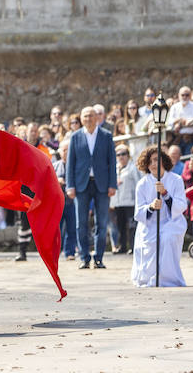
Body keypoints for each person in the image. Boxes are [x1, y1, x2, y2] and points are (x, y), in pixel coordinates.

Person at [66, 106, 117, 269]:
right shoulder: (75, 137)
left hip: (102, 184)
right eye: (85, 116)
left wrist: (112, 184)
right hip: (81, 184)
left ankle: (99, 258)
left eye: (91, 116)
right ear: (81, 118)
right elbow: (70, 163)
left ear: (97, 118)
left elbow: (112, 162)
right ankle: (84, 257)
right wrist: (70, 185)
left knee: (101, 223)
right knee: (81, 223)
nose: (88, 119)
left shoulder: (106, 136)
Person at [131, 146, 187, 287]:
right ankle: (150, 277)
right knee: (152, 241)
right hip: (150, 224)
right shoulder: (142, 184)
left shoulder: (176, 180)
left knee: (167, 238)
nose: (154, 164)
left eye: (157, 160)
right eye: (150, 162)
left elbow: (181, 205)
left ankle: (168, 278)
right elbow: (138, 213)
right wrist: (151, 207)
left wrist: (166, 195)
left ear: (164, 161)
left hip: (171, 222)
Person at [112, 144, 139, 254]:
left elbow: (138, 183)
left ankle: (133, 246)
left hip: (130, 201)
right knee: (120, 225)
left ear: (128, 155)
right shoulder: (115, 168)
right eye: (118, 154)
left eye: (123, 154)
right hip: (118, 202)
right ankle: (122, 246)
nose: (121, 157)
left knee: (132, 225)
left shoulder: (133, 168)